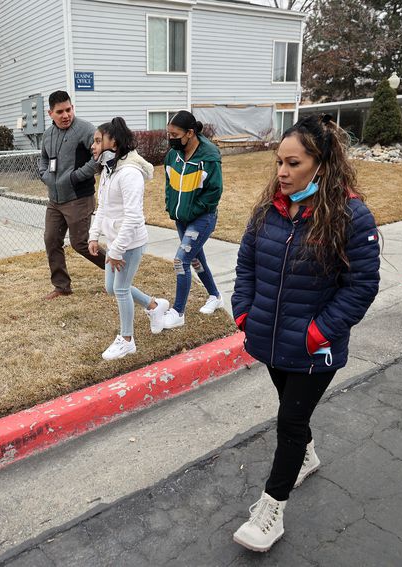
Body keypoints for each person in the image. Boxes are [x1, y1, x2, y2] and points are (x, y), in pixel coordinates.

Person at [230, 114, 380, 552]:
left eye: (293, 164)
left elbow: (361, 287)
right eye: (279, 162)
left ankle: (271, 507)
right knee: (291, 410)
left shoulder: (352, 215)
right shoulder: (269, 209)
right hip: (270, 340)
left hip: (316, 347)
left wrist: (318, 334)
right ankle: (307, 455)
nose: (281, 172)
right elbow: (246, 267)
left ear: (321, 163)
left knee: (290, 420)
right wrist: (245, 313)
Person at [87, 118, 170, 360]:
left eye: (97, 140)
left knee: (121, 289)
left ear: (113, 142)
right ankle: (154, 306)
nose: (93, 146)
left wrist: (116, 251)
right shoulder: (108, 170)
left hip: (130, 243)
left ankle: (127, 340)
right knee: (111, 288)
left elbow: (134, 217)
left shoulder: (130, 172)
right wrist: (94, 236)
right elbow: (102, 207)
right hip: (115, 242)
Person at [38, 90, 105, 300]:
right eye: (60, 112)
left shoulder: (85, 129)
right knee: (51, 240)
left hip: (78, 198)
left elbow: (99, 155)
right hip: (55, 200)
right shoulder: (48, 135)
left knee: (81, 244)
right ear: (51, 113)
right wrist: (44, 176)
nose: (66, 115)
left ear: (72, 108)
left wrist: (77, 176)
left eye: (68, 109)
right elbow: (43, 159)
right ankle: (62, 286)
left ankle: (118, 272)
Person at [162, 110, 225, 329]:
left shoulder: (208, 156)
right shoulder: (173, 155)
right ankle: (215, 296)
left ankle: (178, 312)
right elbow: (169, 183)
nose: (171, 138)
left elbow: (214, 192)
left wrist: (193, 210)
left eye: (175, 134)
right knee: (197, 260)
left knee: (181, 260)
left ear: (190, 133)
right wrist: (172, 206)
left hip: (202, 218)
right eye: (168, 133)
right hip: (181, 218)